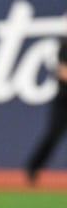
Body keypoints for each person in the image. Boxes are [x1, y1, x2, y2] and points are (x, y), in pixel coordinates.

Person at [25, 37, 67, 184]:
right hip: (64, 100)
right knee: (53, 135)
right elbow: (62, 72)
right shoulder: (65, 44)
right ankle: (32, 167)